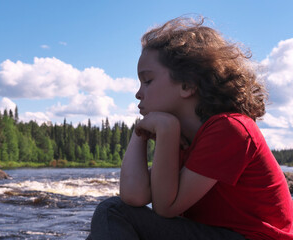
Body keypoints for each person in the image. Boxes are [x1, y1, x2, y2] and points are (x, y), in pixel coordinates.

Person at [87, 16, 293, 240]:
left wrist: (165, 129)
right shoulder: (184, 138)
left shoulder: (230, 128)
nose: (138, 93)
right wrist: (140, 134)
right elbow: (134, 196)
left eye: (147, 81)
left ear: (187, 85)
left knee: (112, 212)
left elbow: (166, 208)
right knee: (114, 215)